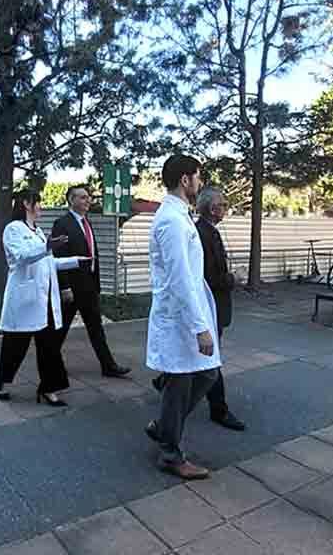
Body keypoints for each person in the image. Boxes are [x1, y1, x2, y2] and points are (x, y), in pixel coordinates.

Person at [144, 155, 222, 480]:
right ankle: (170, 453)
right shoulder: (171, 221)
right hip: (179, 318)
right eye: (197, 177)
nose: (199, 183)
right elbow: (179, 279)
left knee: (206, 375)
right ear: (186, 179)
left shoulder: (180, 217)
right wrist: (199, 327)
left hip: (187, 313)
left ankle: (164, 427)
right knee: (184, 381)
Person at [152, 186, 245, 431]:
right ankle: (215, 411)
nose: (226, 209)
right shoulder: (189, 227)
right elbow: (191, 278)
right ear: (214, 209)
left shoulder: (193, 225)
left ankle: (166, 416)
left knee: (199, 370)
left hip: (201, 308)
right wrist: (232, 279)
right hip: (200, 309)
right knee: (206, 369)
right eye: (223, 205)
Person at [0, 189, 88, 407]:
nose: (41, 206)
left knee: (50, 346)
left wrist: (75, 260)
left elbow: (47, 262)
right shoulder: (13, 229)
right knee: (15, 346)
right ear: (27, 203)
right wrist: (47, 246)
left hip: (44, 299)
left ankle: (49, 388)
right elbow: (21, 257)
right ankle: (2, 382)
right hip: (25, 300)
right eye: (39, 202)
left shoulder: (38, 231)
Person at [50, 185, 132, 378]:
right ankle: (50, 364)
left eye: (88, 198)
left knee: (96, 329)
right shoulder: (62, 223)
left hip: (89, 287)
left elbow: (90, 254)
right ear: (71, 200)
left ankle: (108, 366)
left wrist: (96, 285)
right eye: (82, 198)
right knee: (59, 332)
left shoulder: (86, 222)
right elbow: (58, 257)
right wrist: (65, 287)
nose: (88, 201)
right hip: (72, 288)